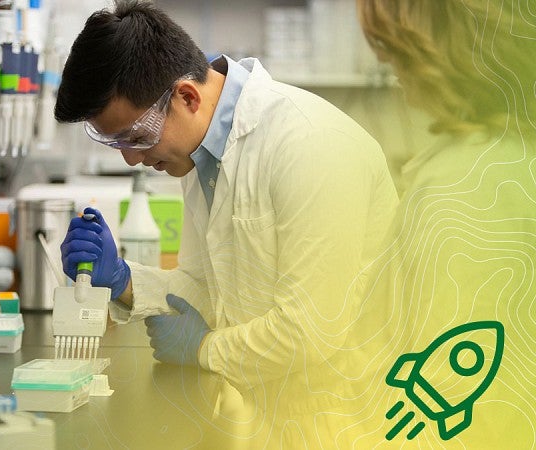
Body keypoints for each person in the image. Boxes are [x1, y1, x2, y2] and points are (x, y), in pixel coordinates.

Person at [55, 0, 398, 445]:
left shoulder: (311, 145)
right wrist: (122, 280)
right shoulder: (202, 156)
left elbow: (312, 330)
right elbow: (209, 289)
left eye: (136, 137)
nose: (132, 159)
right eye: (117, 142)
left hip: (343, 420)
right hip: (264, 416)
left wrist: (203, 349)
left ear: (187, 97)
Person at [288, 1, 536, 448]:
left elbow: (446, 389)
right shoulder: (504, 155)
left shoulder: (468, 184)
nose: (383, 59)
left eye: (394, 45)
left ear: (447, 45)